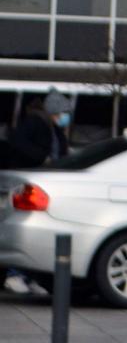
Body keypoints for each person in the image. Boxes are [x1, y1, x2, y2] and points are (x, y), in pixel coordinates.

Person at [2, 91, 72, 297]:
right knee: (26, 227)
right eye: (63, 112)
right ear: (54, 111)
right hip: (28, 182)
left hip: (44, 185)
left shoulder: (54, 128)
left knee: (38, 231)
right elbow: (18, 143)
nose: (66, 116)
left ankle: (31, 276)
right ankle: (14, 274)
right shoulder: (35, 123)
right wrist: (41, 159)